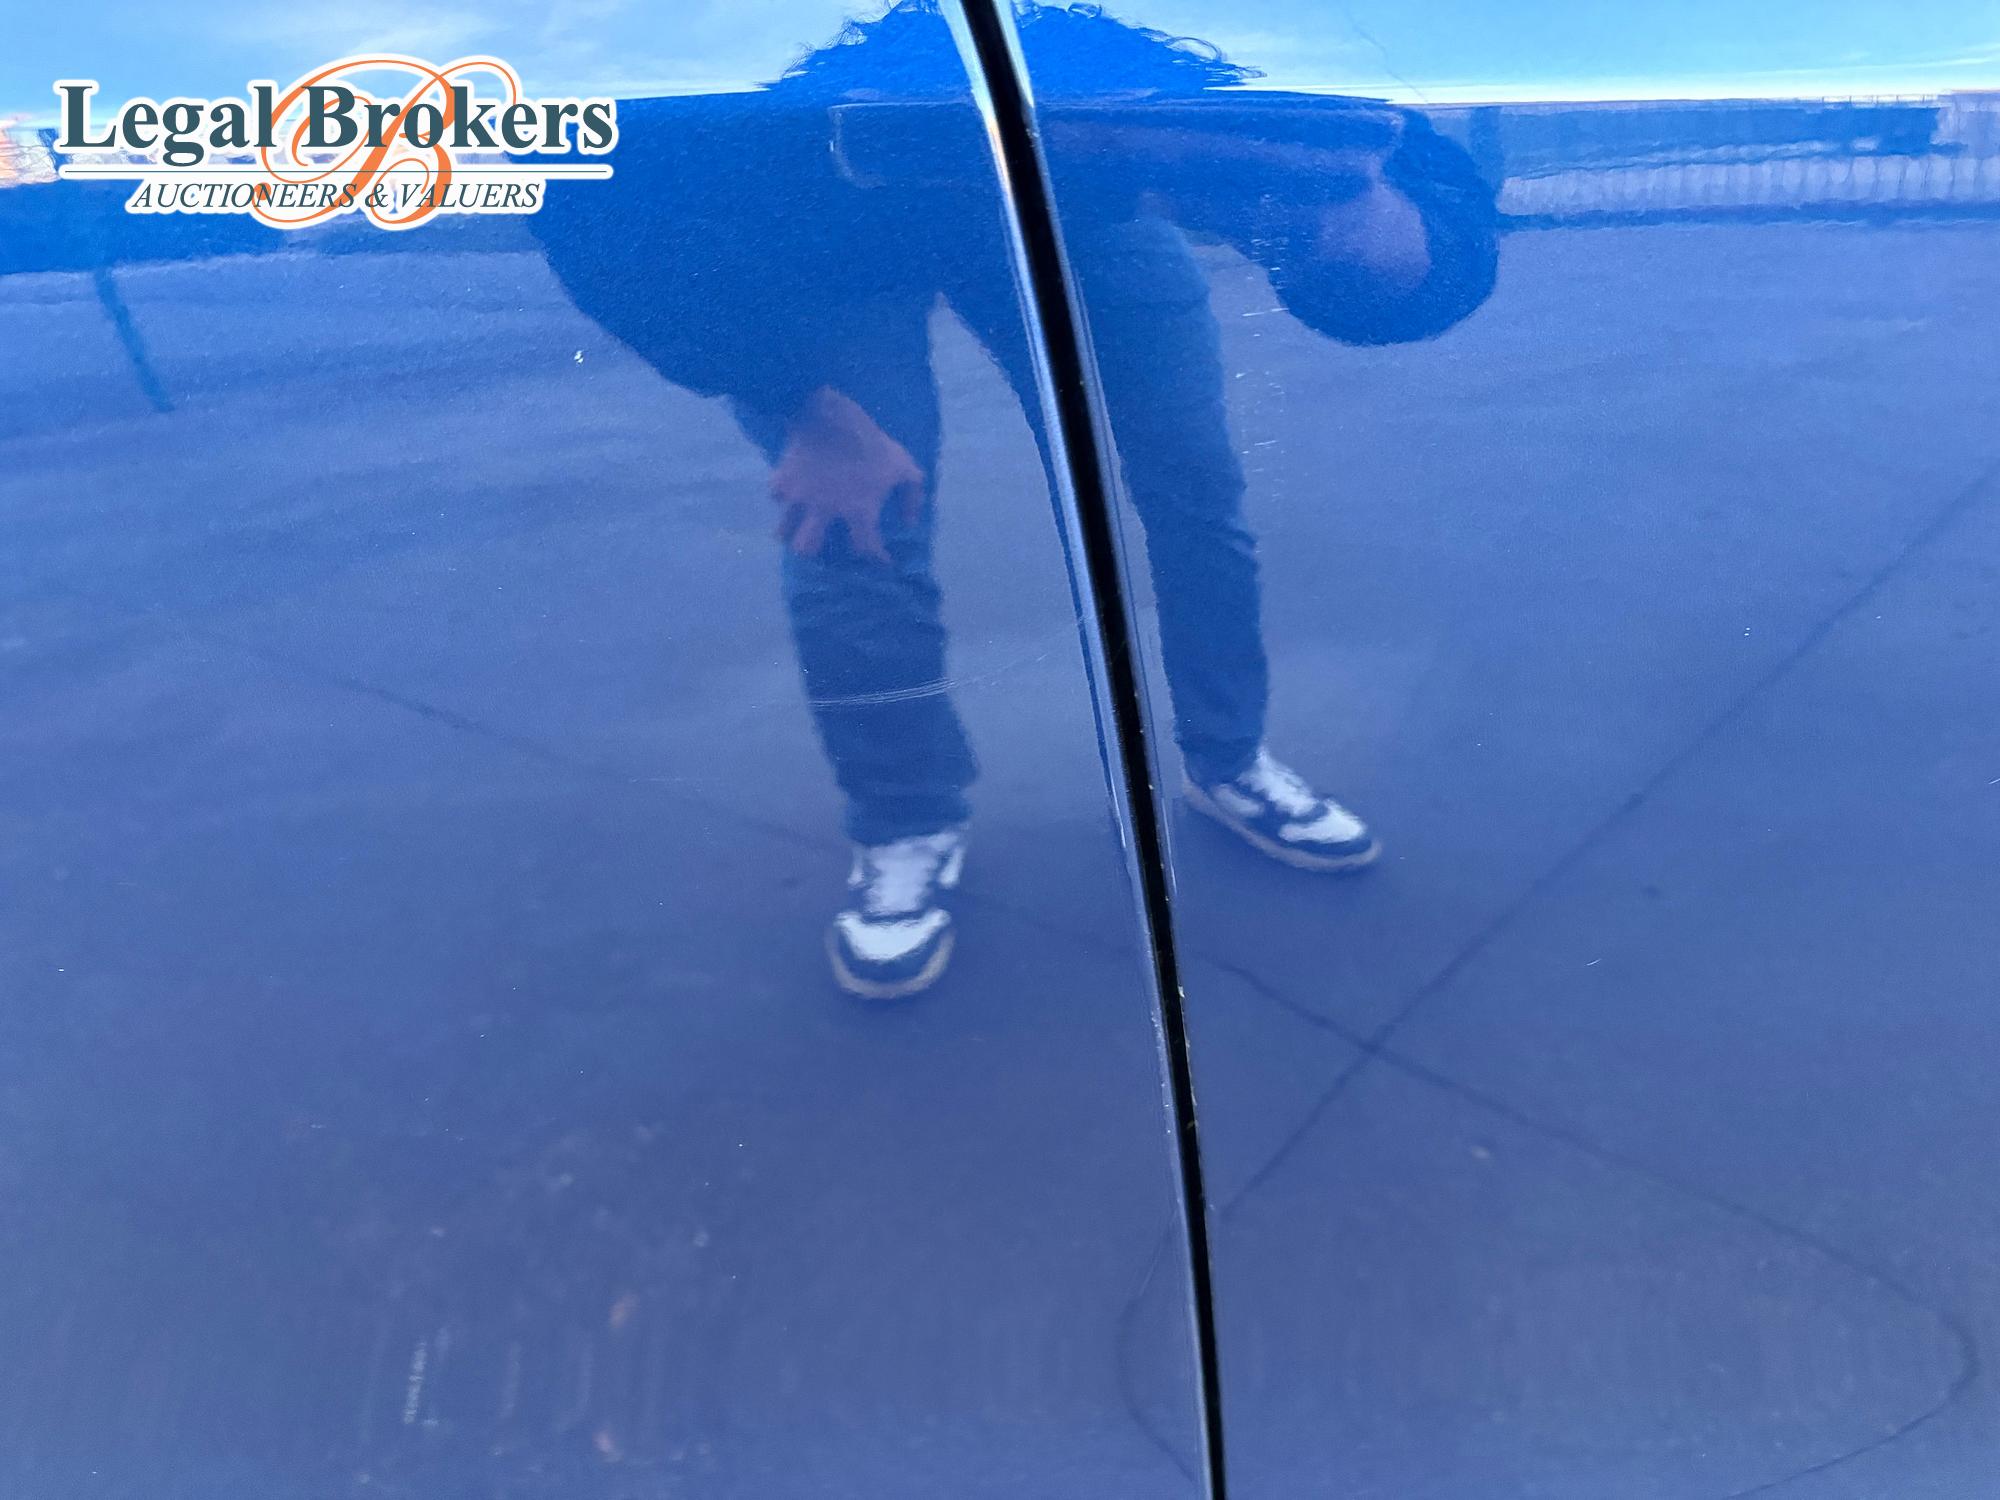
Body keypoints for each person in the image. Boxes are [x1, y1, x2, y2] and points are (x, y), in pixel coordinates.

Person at [532, 1, 1497, 997]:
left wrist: (1366, 205)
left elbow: (1381, 137)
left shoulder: (1142, 61)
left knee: (1195, 484)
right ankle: (904, 822)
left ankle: (1229, 757)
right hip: (814, 233)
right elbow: (587, 191)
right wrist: (797, 403)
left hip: (1073, 202)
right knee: (857, 524)